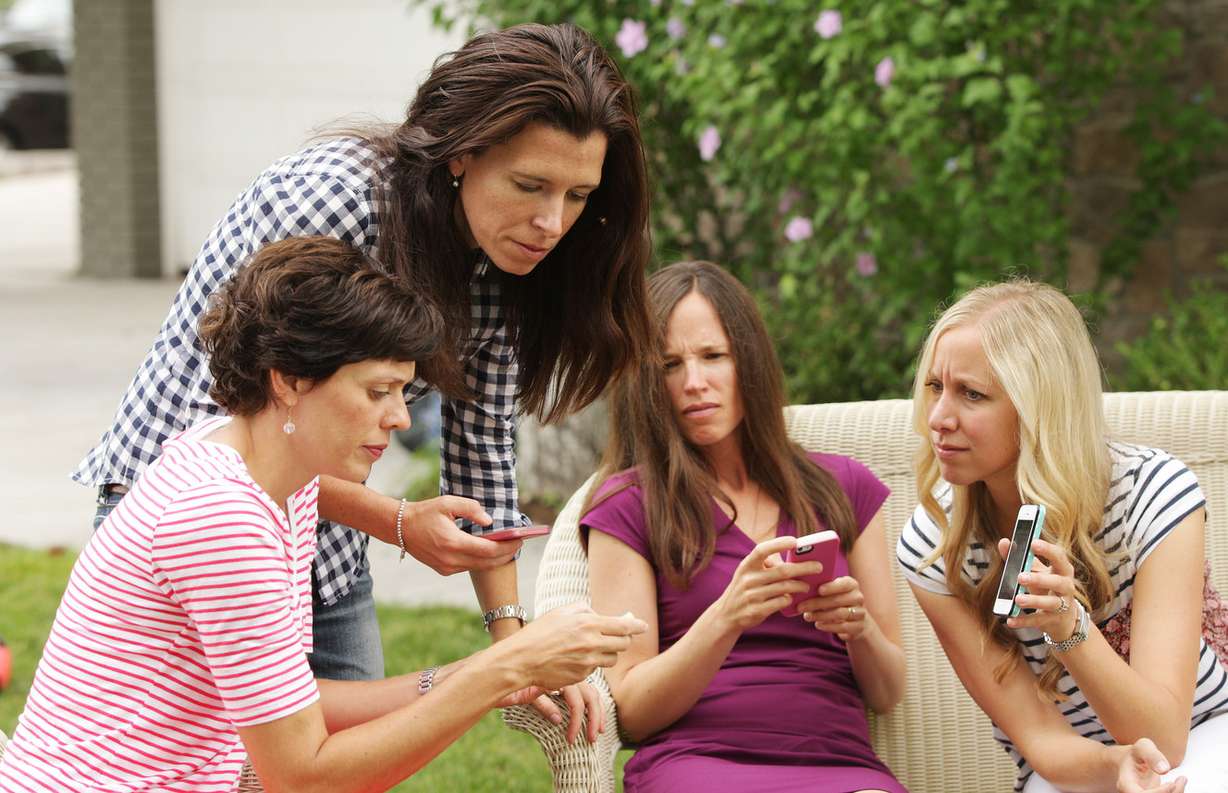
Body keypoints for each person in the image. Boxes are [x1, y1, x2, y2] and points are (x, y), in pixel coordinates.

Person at [71, 22, 652, 740]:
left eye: (576, 196)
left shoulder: (508, 252)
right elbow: (237, 436)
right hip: (196, 520)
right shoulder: (336, 199)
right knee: (217, 761)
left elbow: (482, 444)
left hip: (321, 535)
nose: (550, 222)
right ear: (463, 154)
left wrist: (511, 642)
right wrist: (400, 521)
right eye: (531, 185)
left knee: (341, 763)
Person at [0, 237, 646, 792]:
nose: (398, 417)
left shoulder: (272, 473)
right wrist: (502, 667)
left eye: (402, 392)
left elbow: (294, 708)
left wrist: (475, 676)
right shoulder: (221, 516)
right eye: (377, 391)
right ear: (289, 380)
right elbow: (304, 776)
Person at [582, 261, 908, 793]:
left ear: (748, 360)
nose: (694, 383)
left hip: (837, 766)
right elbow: (634, 714)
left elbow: (888, 692)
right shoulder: (629, 504)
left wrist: (859, 628)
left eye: (713, 356)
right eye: (669, 364)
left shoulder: (845, 487)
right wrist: (726, 618)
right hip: (698, 763)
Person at [895, 280, 1228, 793]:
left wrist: (1069, 625)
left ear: (1040, 408)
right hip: (1076, 767)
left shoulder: (1154, 495)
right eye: (936, 387)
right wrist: (1112, 767)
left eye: (972, 394)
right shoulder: (935, 547)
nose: (937, 419)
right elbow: (1039, 738)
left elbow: (1164, 737)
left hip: (1206, 734)